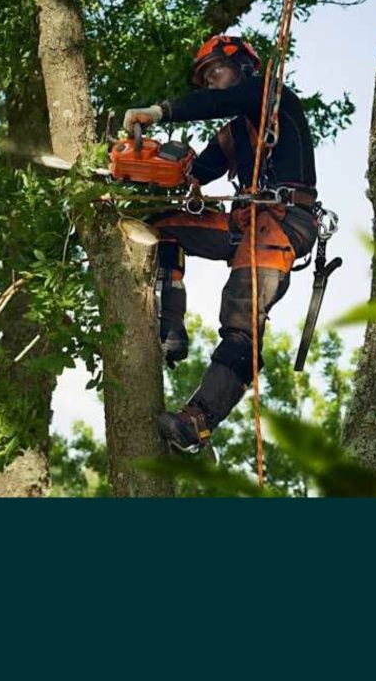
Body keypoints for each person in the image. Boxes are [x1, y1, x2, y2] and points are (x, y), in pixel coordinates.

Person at [123, 34, 319, 453]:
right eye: (206, 77)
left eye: (217, 71)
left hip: (285, 222)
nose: (212, 82)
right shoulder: (235, 135)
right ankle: (169, 327)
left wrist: (160, 112)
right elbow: (199, 168)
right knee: (163, 226)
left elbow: (216, 104)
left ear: (244, 66)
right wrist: (154, 169)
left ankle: (198, 422)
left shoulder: (270, 95)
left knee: (240, 319)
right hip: (248, 222)